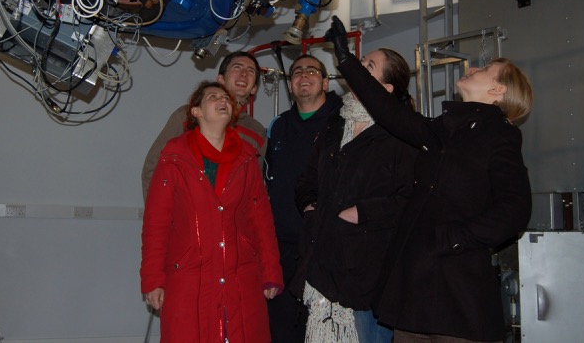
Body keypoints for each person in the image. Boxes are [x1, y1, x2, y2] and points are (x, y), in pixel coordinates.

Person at [325, 16, 534, 343]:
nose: (472, 70)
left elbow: (515, 208)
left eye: (483, 70)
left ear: (498, 90)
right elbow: (389, 112)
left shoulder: (499, 136)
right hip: (414, 293)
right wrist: (346, 59)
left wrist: (456, 237)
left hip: (457, 295)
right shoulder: (442, 131)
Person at [140, 81, 283, 343]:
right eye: (213, 97)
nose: (223, 101)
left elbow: (261, 219)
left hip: (241, 275)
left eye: (226, 98)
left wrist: (271, 272)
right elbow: (156, 223)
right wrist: (152, 279)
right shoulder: (174, 156)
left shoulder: (247, 157)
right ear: (196, 112)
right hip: (188, 275)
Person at [295, 48, 418, 343]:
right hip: (324, 263)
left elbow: (412, 200)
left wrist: (362, 212)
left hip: (372, 273)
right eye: (361, 63)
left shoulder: (403, 133)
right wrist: (310, 206)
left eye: (369, 66)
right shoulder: (336, 123)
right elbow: (308, 179)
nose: (358, 69)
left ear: (387, 88)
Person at [265, 54, 343, 342]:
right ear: (291, 85)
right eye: (297, 72)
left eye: (312, 70)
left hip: (326, 247)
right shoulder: (279, 127)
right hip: (282, 250)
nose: (303, 75)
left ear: (324, 82)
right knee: (282, 330)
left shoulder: (343, 121)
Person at [141, 51, 266, 199]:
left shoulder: (257, 132)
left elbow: (254, 188)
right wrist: (161, 216)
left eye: (250, 71)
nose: (244, 74)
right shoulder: (188, 115)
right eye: (237, 68)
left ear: (254, 89)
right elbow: (153, 168)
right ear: (221, 79)